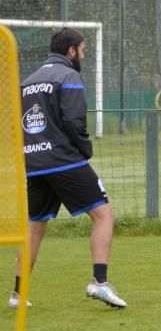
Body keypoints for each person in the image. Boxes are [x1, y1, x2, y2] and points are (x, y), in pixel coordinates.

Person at [9, 28, 127, 308]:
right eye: (83, 50)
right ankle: (99, 283)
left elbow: (17, 124)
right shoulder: (68, 76)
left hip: (35, 164)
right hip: (64, 161)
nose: (83, 55)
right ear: (71, 51)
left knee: (35, 227)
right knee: (104, 216)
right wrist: (85, 149)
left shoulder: (28, 83)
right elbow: (74, 121)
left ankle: (17, 295)